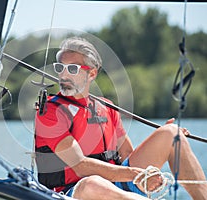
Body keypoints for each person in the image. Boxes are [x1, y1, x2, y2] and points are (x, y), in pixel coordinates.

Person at [34, 37, 207, 199]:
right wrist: (138, 175)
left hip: (116, 185)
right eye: (60, 67)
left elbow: (127, 155)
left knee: (171, 134)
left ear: (92, 74)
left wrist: (161, 136)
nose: (64, 74)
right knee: (92, 183)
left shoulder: (106, 107)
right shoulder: (49, 111)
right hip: (72, 192)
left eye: (72, 69)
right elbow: (80, 166)